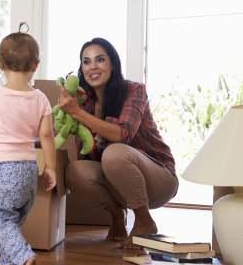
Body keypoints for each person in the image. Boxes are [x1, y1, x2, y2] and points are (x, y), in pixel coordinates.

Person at [60, 38, 178, 247]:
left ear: (112, 64)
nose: (92, 67)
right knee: (75, 170)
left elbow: (122, 134)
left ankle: (144, 221)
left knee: (114, 153)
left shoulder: (135, 91)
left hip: (158, 179)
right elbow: (85, 153)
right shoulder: (83, 101)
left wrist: (77, 113)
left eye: (100, 59)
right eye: (86, 62)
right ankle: (116, 217)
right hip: (118, 179)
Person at [0, 33, 56, 265]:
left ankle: (24, 257)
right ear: (35, 65)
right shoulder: (41, 98)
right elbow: (46, 136)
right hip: (29, 170)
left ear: (0, 63)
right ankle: (8, 261)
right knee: (12, 219)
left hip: (2, 169)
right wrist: (50, 167)